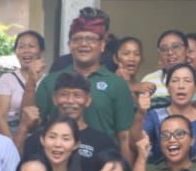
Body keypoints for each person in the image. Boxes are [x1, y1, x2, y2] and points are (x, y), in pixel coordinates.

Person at [35, 14, 135, 146]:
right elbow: (34, 124)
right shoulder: (51, 81)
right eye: (77, 39)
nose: (83, 44)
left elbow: (124, 136)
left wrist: (125, 166)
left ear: (102, 45)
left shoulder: (116, 84)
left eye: (90, 39)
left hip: (104, 161)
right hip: (57, 158)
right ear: (70, 45)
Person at [21, 73, 118, 171]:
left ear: (88, 100)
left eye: (77, 95)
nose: (70, 101)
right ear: (54, 98)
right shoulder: (37, 140)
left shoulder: (103, 143)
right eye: (64, 95)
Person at [140, 63, 196, 164]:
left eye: (187, 81)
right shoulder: (154, 116)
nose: (181, 86)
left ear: (195, 87)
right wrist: (140, 112)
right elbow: (137, 142)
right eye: (175, 81)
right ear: (167, 87)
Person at [0, 31, 47, 137]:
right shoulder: (7, 79)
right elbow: (0, 116)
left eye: (31, 46)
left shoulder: (48, 81)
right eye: (21, 47)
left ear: (41, 51)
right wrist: (11, 146)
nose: (26, 51)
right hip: (10, 135)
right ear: (16, 51)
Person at [143, 30, 190, 105]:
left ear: (187, 50)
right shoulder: (149, 80)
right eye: (164, 49)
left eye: (175, 46)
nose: (170, 52)